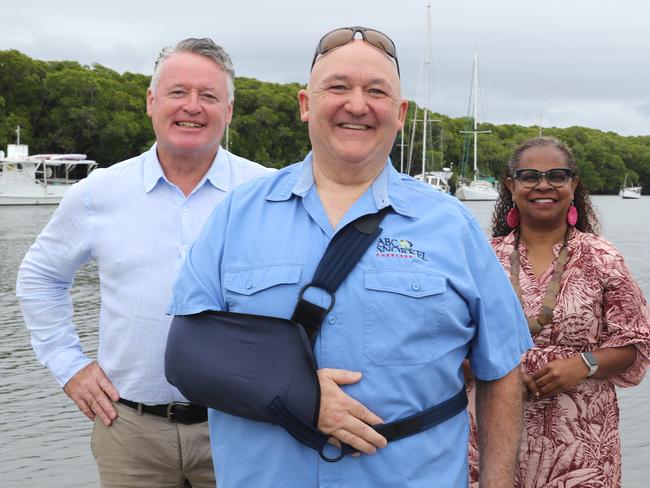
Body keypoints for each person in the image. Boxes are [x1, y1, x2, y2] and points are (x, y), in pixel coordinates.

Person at [167, 26, 532, 487]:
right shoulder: (235, 216)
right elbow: (186, 354)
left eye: (376, 91)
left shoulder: (453, 226)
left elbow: (500, 368)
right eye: (337, 87)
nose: (356, 104)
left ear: (399, 114)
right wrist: (293, 393)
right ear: (305, 104)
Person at [17, 38, 271, 487]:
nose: (192, 106)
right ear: (151, 101)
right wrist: (68, 364)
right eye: (177, 92)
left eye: (209, 96)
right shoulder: (98, 194)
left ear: (228, 111)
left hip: (243, 429)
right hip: (130, 433)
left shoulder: (269, 195)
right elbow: (40, 277)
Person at [466, 137, 650, 487]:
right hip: (489, 433)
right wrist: (496, 372)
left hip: (581, 442)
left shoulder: (602, 257)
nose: (543, 185)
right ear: (511, 185)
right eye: (530, 176)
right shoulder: (480, 258)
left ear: (574, 184)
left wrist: (584, 364)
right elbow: (445, 344)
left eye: (557, 175)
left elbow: (636, 343)